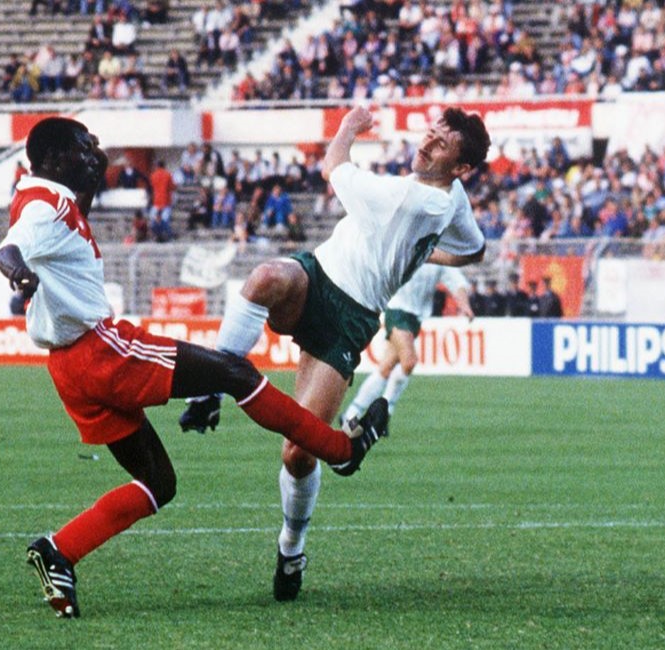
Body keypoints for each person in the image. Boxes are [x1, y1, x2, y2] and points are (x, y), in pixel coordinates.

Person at [0, 117, 390, 619]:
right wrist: (19, 274)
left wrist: (91, 172)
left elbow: (55, 230)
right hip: (101, 351)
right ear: (53, 158)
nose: (95, 154)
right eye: (84, 147)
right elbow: (10, 249)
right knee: (234, 373)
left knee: (158, 482)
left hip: (70, 368)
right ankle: (341, 450)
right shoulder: (44, 204)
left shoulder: (50, 195)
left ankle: (59, 551)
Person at [178, 105, 489, 602]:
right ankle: (211, 391)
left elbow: (333, 166)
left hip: (350, 318)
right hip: (317, 276)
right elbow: (475, 249)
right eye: (431, 132)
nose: (427, 143)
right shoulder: (452, 198)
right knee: (265, 278)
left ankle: (291, 547)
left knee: (299, 453)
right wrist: (425, 252)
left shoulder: (412, 199)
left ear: (462, 167)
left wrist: (348, 126)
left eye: (441, 144)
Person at [342, 264, 474, 423]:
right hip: (397, 310)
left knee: (386, 367)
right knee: (409, 361)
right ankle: (385, 412)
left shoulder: (440, 257)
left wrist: (464, 305)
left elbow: (457, 282)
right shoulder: (411, 250)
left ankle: (351, 413)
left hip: (415, 318)